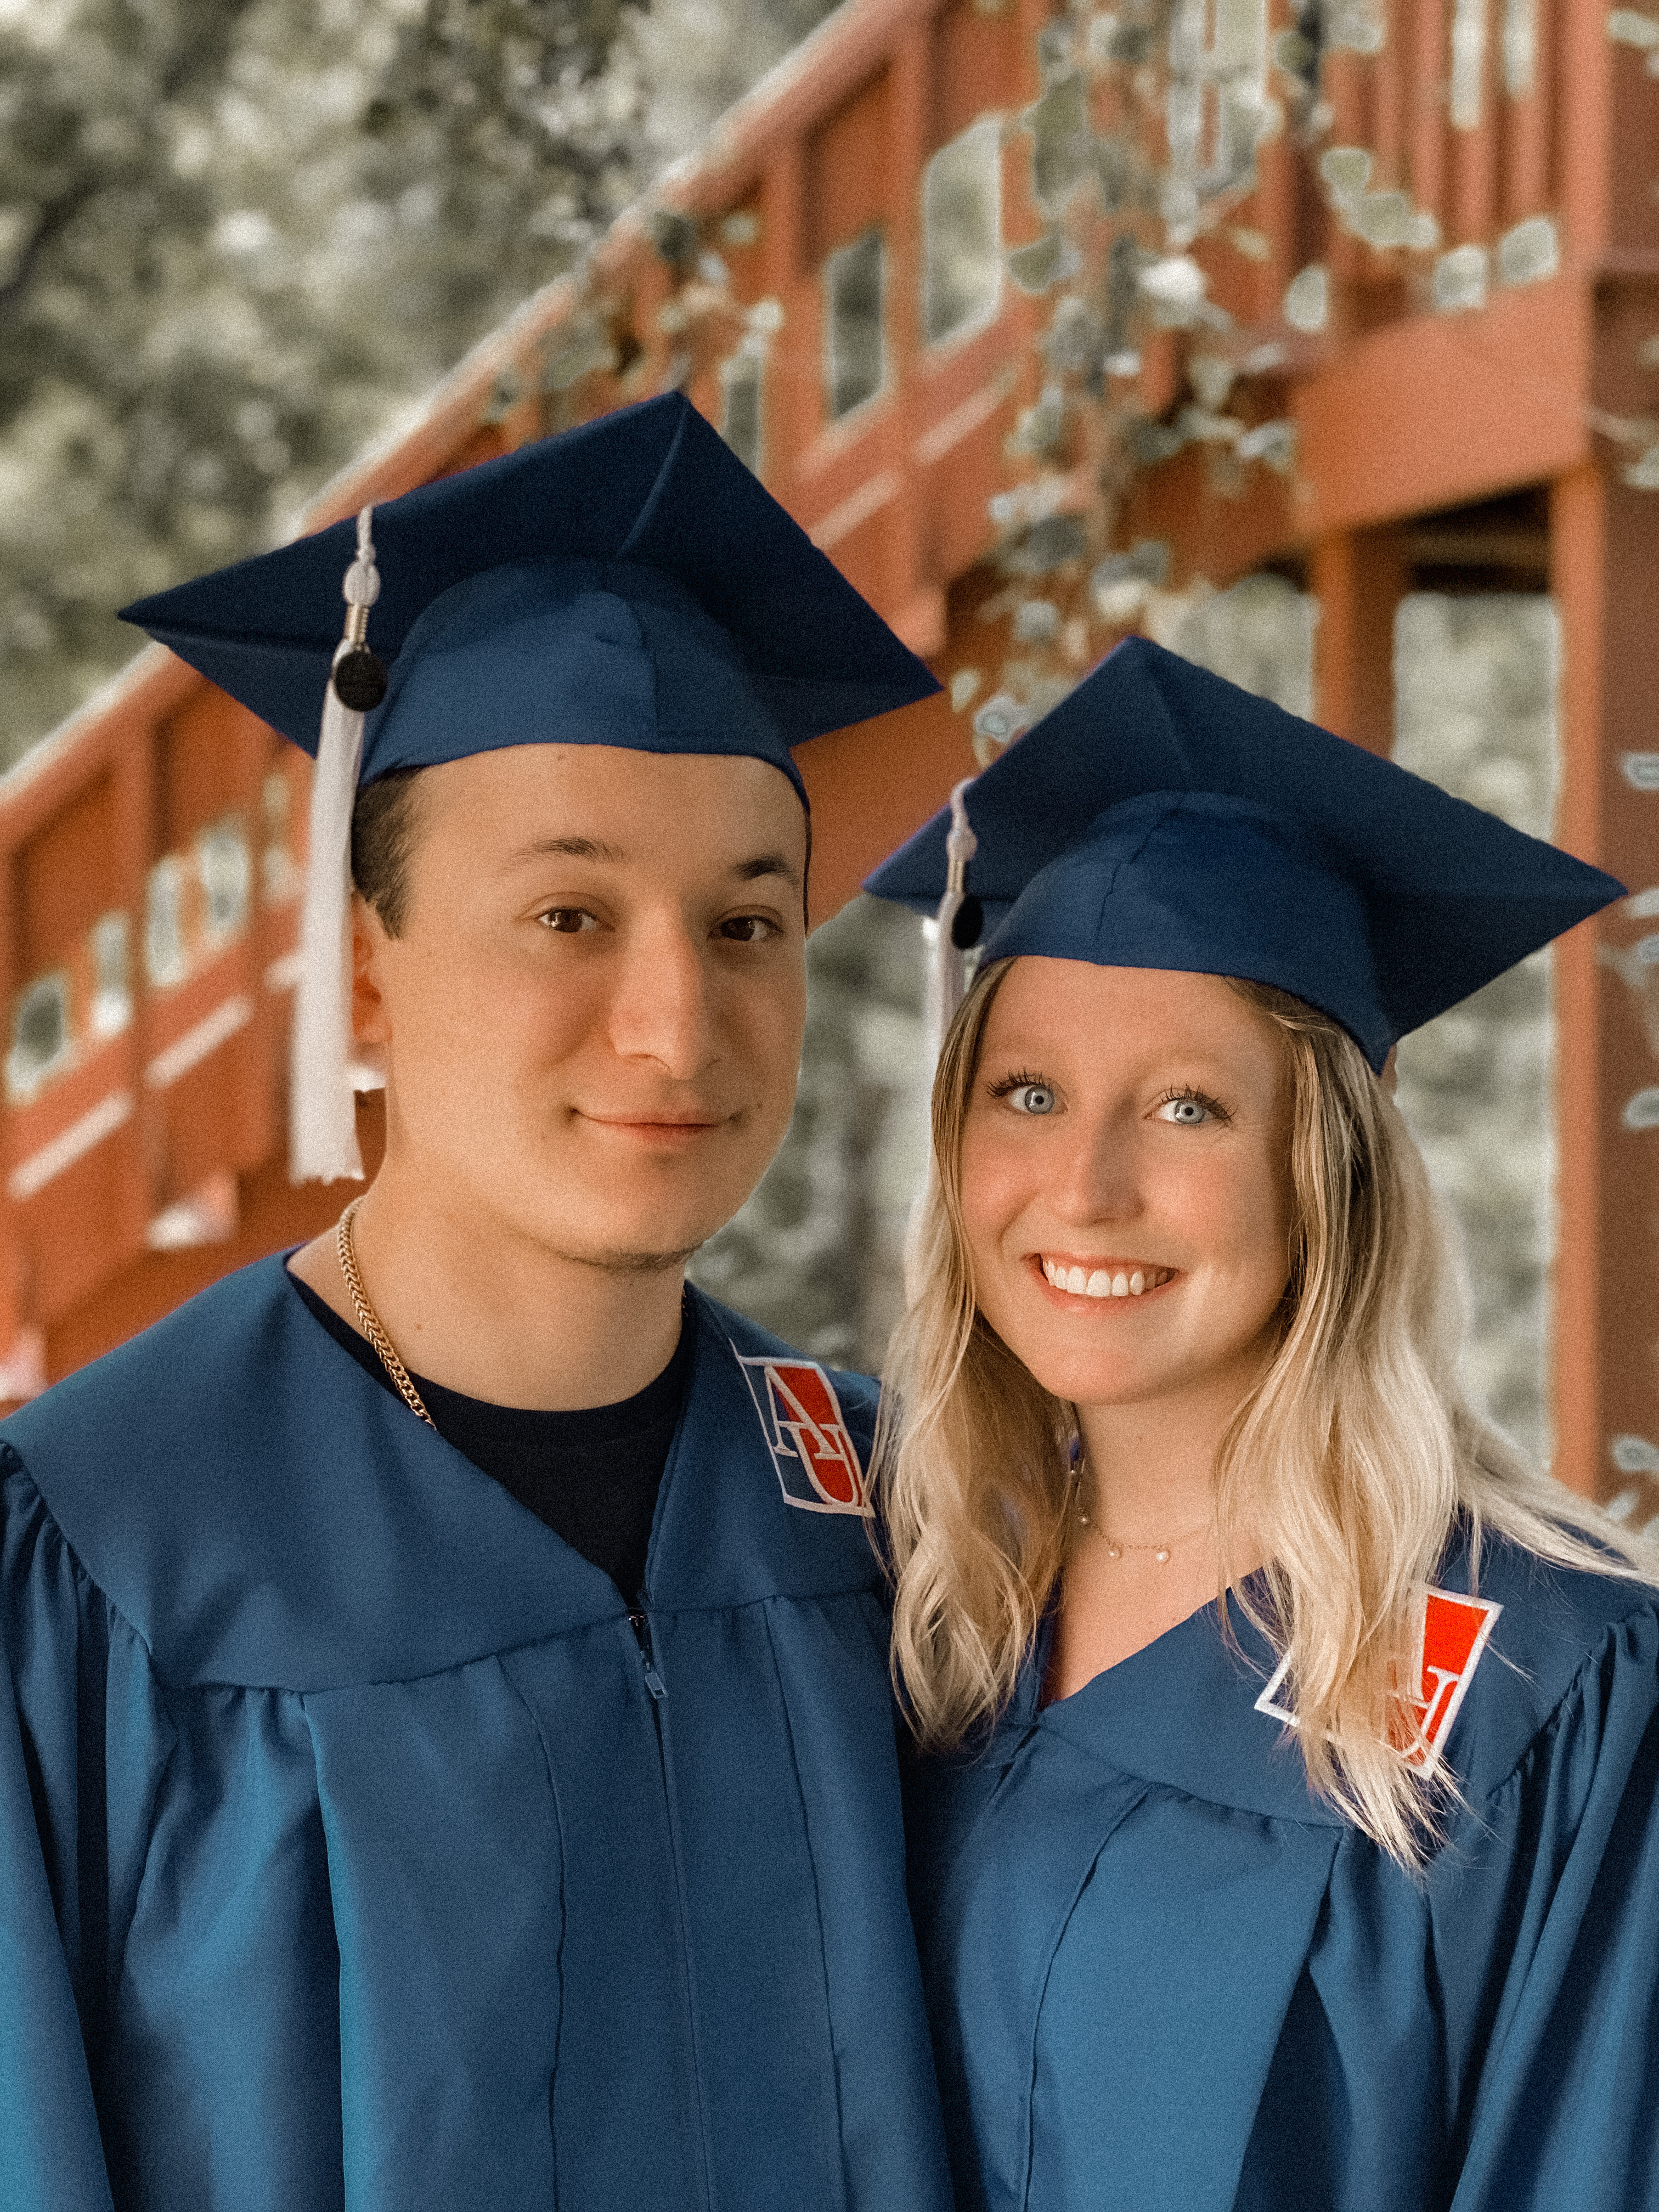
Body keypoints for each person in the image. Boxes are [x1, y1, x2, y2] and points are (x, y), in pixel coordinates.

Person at [0, 393, 955, 2211]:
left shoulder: (882, 1512)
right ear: (364, 985)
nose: (678, 1025)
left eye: (748, 925)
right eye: (570, 918)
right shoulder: (100, 1558)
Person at [864, 634, 1659, 2211]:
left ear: (1330, 1175)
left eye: (1188, 1108)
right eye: (1026, 1093)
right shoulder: (923, 1605)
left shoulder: (1545, 1691)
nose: (1084, 1188)